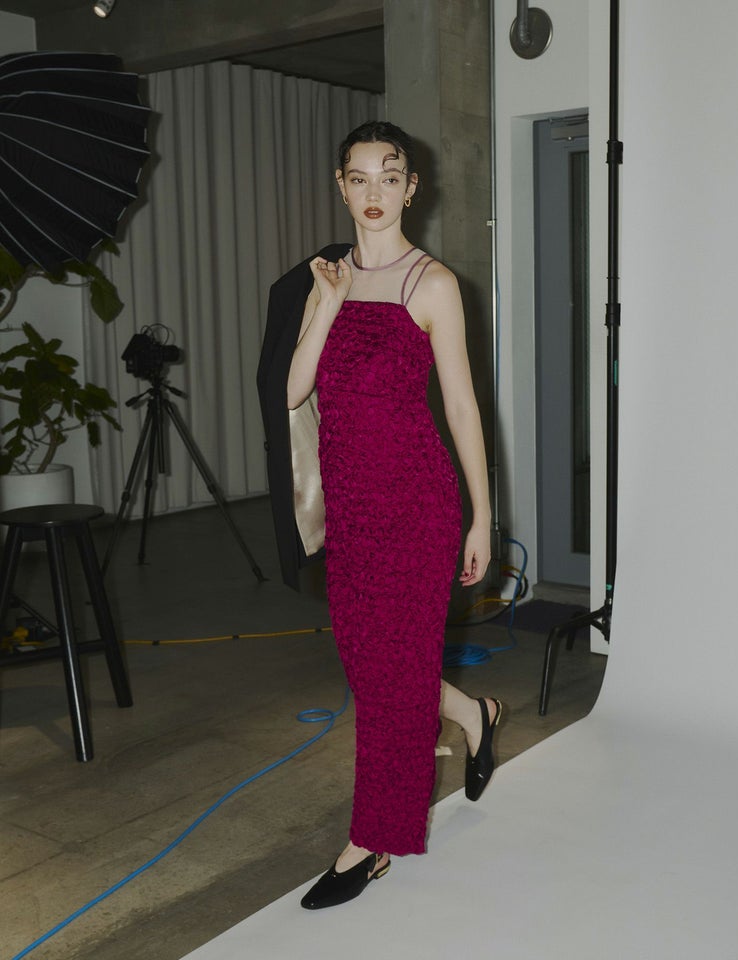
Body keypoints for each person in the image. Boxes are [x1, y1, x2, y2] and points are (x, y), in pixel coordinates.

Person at [286, 120, 501, 910]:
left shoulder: (433, 284)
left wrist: (482, 517)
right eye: (359, 177)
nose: (373, 191)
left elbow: (463, 407)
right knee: (375, 666)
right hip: (352, 511)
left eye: (389, 176)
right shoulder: (326, 279)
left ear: (412, 189)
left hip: (416, 504)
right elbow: (293, 391)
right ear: (341, 188)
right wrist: (328, 301)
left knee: (387, 689)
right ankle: (474, 714)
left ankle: (371, 841)